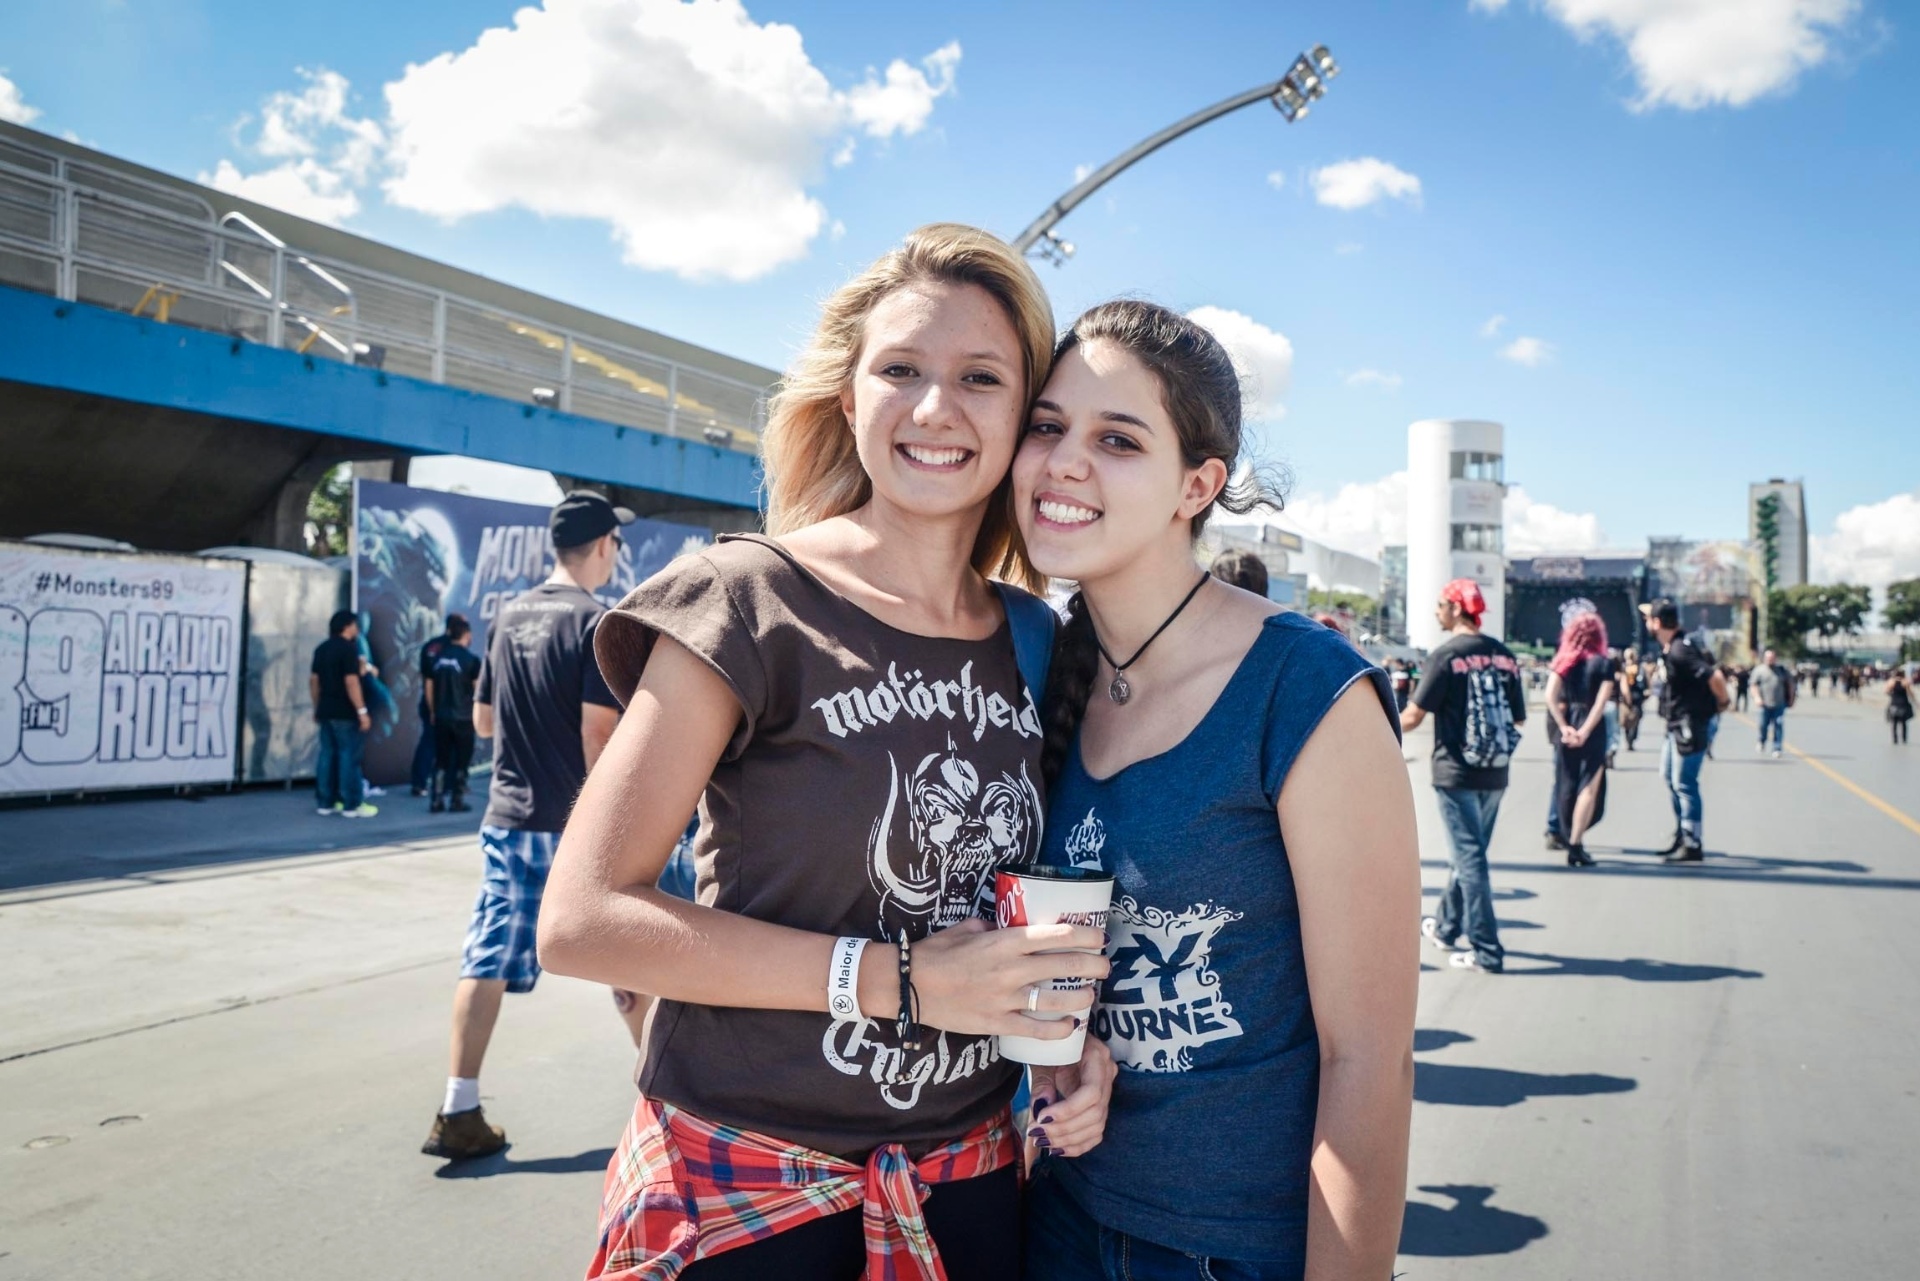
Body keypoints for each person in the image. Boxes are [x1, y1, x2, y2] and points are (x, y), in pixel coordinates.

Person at [537, 225, 1115, 1280]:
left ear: (1024, 420)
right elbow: (581, 921)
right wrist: (898, 982)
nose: (936, 408)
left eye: (980, 378)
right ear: (849, 397)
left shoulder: (1039, 641)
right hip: (754, 1192)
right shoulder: (747, 601)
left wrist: (1073, 1048)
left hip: (972, 1193)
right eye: (900, 370)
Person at [1013, 300, 1418, 1279]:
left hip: (1234, 1251)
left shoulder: (1303, 689)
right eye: (1048, 426)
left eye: (1117, 438)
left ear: (1198, 485)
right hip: (1054, 1226)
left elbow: (1369, 1063)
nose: (1066, 461)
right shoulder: (1034, 668)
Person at [420, 490, 634, 1161]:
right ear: (602, 545)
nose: (618, 555)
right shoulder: (596, 623)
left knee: (484, 956)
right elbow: (597, 737)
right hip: (573, 827)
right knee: (630, 959)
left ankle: (459, 1108)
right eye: (617, 544)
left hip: (508, 820)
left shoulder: (507, 617)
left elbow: (485, 722)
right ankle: (672, 1112)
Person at [1402, 579, 1526, 972]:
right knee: (1468, 855)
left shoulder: (1445, 656)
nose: (1437, 611)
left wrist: (1370, 726)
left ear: (1456, 608)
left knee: (1469, 860)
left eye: (1441, 604)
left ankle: (1487, 950)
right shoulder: (1504, 656)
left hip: (1455, 773)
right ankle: (1445, 926)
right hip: (1495, 772)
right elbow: (1518, 717)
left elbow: (1414, 715)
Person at [1643, 599, 1729, 863]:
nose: (1646, 623)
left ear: (1658, 623)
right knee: (1670, 777)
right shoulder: (1672, 648)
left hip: (1688, 725)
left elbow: (1713, 676)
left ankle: (1693, 841)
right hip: (1676, 725)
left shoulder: (1681, 650)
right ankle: (1683, 832)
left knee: (1685, 784)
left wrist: (1722, 703)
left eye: (1649, 619)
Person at [1547, 613, 1614, 868]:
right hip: (1592, 728)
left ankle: (1564, 833)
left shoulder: (1563, 661)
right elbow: (1601, 703)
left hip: (1568, 723)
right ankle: (1576, 843)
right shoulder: (1604, 663)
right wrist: (1585, 731)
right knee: (1589, 785)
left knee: (1566, 782)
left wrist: (1564, 727)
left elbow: (1549, 696)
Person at [311, 610, 377, 817]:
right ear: (347, 626)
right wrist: (362, 710)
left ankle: (326, 801)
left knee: (327, 755)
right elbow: (351, 682)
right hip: (345, 712)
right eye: (355, 625)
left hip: (326, 710)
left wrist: (317, 706)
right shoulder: (349, 649)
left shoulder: (322, 648)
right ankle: (351, 803)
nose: (357, 629)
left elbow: (314, 681)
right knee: (349, 756)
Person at [426, 616, 481, 812]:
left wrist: (432, 710)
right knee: (462, 761)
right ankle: (457, 799)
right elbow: (478, 692)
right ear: (466, 635)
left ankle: (436, 799)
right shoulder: (471, 660)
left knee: (441, 759)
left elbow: (429, 687)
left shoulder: (438, 658)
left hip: (442, 716)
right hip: (464, 717)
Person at [411, 619, 457, 797]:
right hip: (447, 705)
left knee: (429, 743)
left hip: (432, 703)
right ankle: (448, 785)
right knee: (448, 746)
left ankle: (419, 782)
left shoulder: (430, 646)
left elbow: (426, 678)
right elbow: (429, 681)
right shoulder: (453, 650)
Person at [1751, 648, 1794, 758]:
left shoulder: (1782, 670)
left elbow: (1790, 685)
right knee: (1763, 725)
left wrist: (1791, 698)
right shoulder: (1759, 670)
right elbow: (1753, 685)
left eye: (1772, 658)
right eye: (1768, 658)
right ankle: (1762, 741)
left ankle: (1777, 747)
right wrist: (1757, 697)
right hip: (1764, 703)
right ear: (1764, 658)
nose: (1770, 660)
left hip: (1779, 703)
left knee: (1778, 724)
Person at [1617, 648, 1646, 751]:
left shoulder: (1639, 669)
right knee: (1626, 720)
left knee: (1635, 719)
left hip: (1636, 698)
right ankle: (1628, 739)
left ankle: (1631, 738)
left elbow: (1645, 682)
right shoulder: (1623, 669)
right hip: (1626, 699)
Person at [1888, 669, 1913, 745]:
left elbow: (1887, 691)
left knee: (1894, 722)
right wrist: (1916, 702)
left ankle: (1895, 739)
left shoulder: (1891, 681)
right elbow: (1910, 693)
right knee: (1904, 723)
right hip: (1903, 704)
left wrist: (1893, 695)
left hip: (1894, 703)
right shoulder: (1905, 682)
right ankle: (1904, 739)